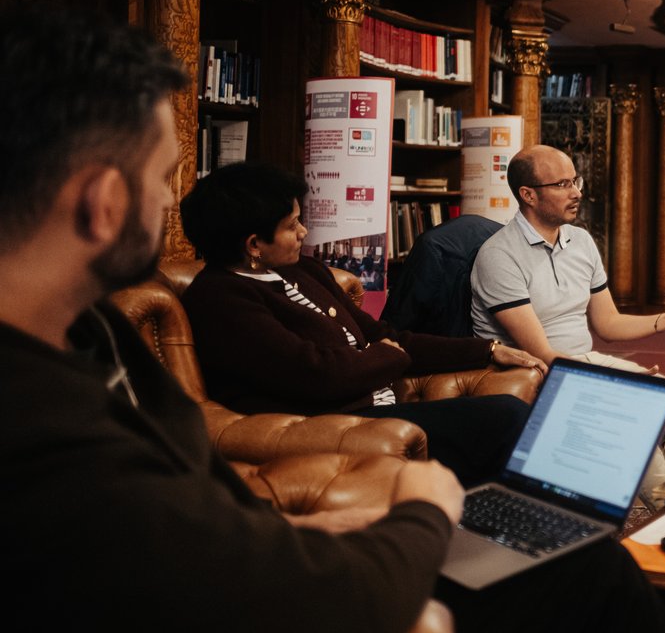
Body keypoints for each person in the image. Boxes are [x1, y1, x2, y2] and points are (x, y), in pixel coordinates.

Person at [0, 8, 665, 633]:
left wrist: (323, 528)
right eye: (163, 178)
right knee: (588, 575)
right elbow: (248, 598)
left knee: (570, 557)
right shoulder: (38, 419)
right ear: (101, 200)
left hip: (268, 584)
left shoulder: (92, 334)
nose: (172, 203)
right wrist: (419, 505)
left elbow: (203, 518)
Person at [179, 162, 545, 486]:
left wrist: (487, 349)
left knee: (505, 419)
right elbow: (316, 373)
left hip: (375, 409)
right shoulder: (220, 299)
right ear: (254, 244)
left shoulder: (302, 270)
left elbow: (388, 338)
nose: (305, 232)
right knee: (506, 418)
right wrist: (387, 357)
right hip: (334, 426)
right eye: (292, 225)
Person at [470, 144, 665, 492]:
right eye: (562, 184)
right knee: (635, 421)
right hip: (534, 374)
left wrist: (663, 321)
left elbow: (607, 324)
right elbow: (543, 355)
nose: (577, 192)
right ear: (528, 195)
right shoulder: (499, 256)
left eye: (575, 180)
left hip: (584, 364)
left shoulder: (580, 241)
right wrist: (624, 384)